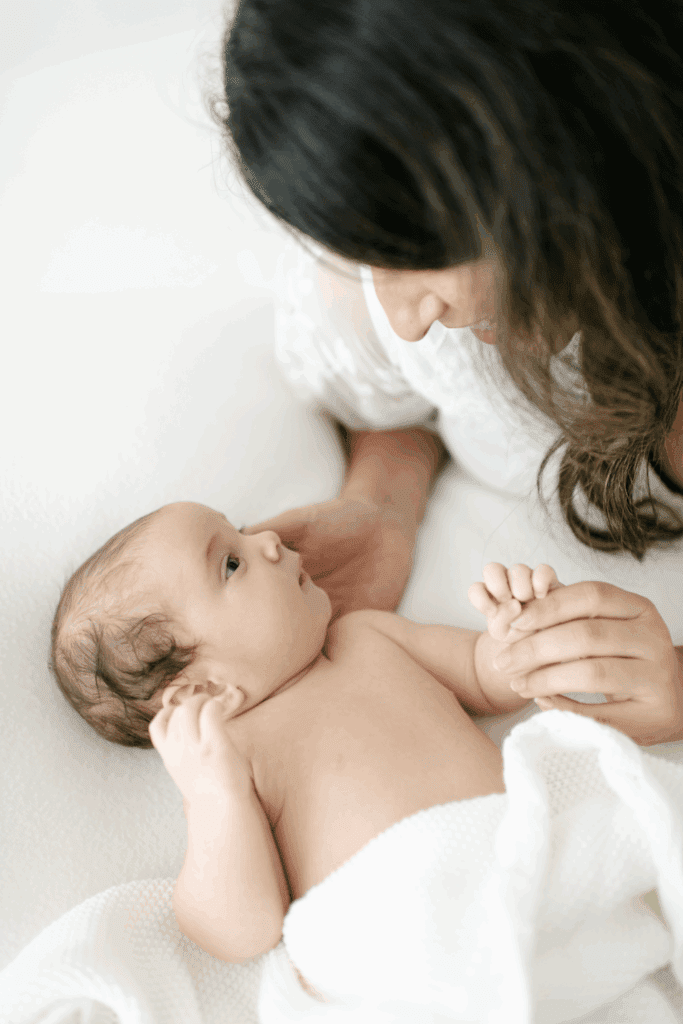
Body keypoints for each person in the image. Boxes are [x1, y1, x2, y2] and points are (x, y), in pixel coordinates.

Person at [207, 0, 683, 743]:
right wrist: (385, 504)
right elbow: (397, 403)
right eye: (366, 255)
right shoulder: (372, 307)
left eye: (412, 257)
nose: (405, 317)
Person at [49, 501, 682, 969]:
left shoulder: (368, 635)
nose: (269, 538)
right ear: (204, 693)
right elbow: (238, 931)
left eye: (241, 528)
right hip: (408, 940)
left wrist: (518, 632)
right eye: (232, 562)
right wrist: (216, 800)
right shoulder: (234, 764)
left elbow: (485, 677)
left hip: (525, 870)